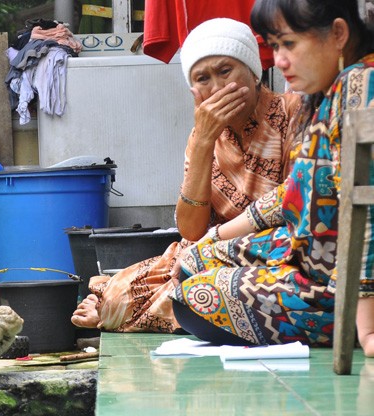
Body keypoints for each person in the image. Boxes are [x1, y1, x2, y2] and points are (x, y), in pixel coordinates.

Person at [168, 0, 374, 356]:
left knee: (191, 299)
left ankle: (348, 320)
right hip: (301, 246)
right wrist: (203, 143)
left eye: (289, 44)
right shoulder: (326, 94)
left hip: (336, 273)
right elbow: (194, 229)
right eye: (275, 47)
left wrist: (367, 326)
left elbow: (365, 209)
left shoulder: (344, 93)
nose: (279, 60)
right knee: (188, 262)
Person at [71, 18, 302, 333]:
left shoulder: (292, 113)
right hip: (207, 250)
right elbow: (191, 230)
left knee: (182, 293)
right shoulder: (202, 135)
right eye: (202, 78)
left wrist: (212, 246)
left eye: (225, 71)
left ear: (252, 70)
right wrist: (205, 142)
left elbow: (295, 204)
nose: (217, 88)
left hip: (272, 247)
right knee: (118, 296)